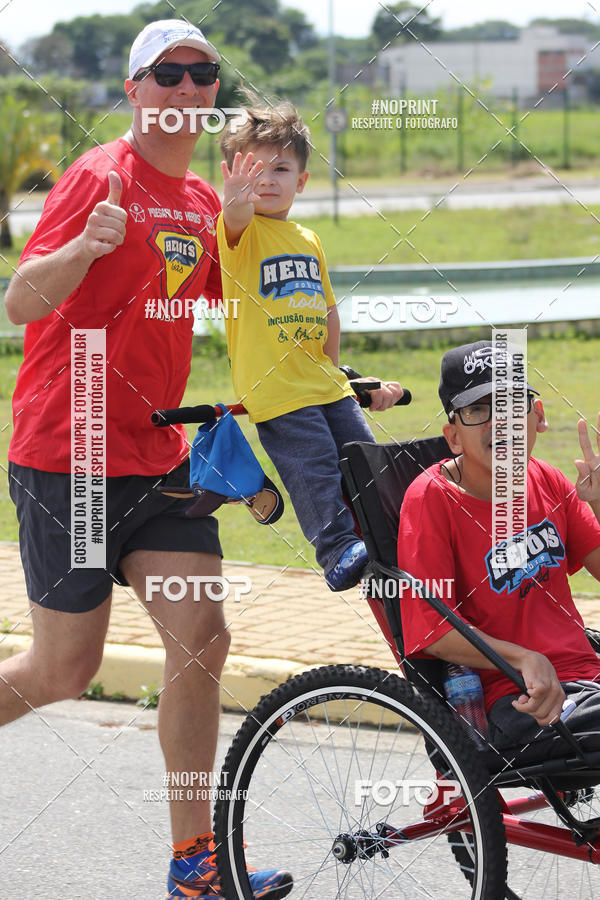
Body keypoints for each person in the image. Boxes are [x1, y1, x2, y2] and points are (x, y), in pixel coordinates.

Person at [3, 20, 291, 899]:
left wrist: (250, 232)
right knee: (64, 670)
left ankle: (194, 860)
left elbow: (238, 309)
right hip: (73, 452)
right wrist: (83, 247)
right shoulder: (100, 175)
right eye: (167, 73)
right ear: (134, 89)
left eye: (202, 73)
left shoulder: (202, 199)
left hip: (158, 456)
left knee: (203, 638)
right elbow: (20, 301)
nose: (187, 87)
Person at [217, 102, 403, 591]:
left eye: (281, 169)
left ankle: (383, 535)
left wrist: (336, 371)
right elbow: (235, 214)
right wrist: (234, 200)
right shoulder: (241, 232)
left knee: (364, 456)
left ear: (301, 181)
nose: (266, 179)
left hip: (323, 380)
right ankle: (337, 548)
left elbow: (328, 311)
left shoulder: (307, 237)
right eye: (253, 169)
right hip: (277, 387)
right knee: (314, 466)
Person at [396, 339, 600, 749]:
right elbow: (432, 631)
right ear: (453, 436)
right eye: (477, 410)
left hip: (586, 680)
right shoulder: (431, 499)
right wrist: (524, 658)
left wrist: (598, 503)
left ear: (537, 416)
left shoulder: (546, 478)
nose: (499, 423)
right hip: (515, 700)